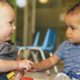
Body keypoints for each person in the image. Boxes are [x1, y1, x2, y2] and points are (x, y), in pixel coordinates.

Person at [31, 2, 80, 80]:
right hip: (67, 77)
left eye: (72, 28)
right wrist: (38, 66)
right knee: (60, 76)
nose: (67, 32)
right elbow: (51, 61)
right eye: (66, 27)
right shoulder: (65, 45)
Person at [0, 1, 33, 80]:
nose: (14, 27)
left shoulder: (10, 44)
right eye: (10, 23)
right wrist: (17, 64)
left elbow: (17, 59)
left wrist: (20, 71)